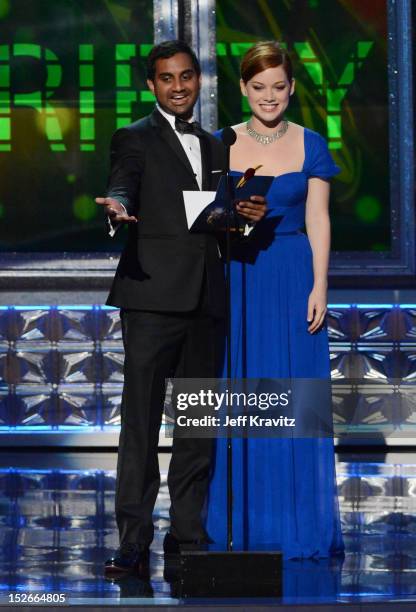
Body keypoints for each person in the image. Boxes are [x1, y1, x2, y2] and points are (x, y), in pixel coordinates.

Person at [95, 40, 267, 573]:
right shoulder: (134, 138)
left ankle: (187, 532)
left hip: (205, 298)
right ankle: (133, 539)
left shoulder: (218, 148)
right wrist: (118, 207)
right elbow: (122, 185)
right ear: (152, 85)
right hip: (150, 298)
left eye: (186, 76)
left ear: (198, 81)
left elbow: (217, 220)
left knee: (196, 424)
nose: (178, 86)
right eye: (166, 78)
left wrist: (246, 215)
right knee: (142, 424)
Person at [206, 41, 344, 559]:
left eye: (279, 87)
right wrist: (235, 217)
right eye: (259, 87)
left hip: (292, 278)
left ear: (291, 87)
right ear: (243, 88)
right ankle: (236, 525)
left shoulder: (310, 143)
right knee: (238, 398)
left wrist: (320, 285)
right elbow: (203, 222)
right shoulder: (219, 144)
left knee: (295, 401)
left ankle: (297, 528)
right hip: (237, 278)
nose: (270, 97)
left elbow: (318, 219)